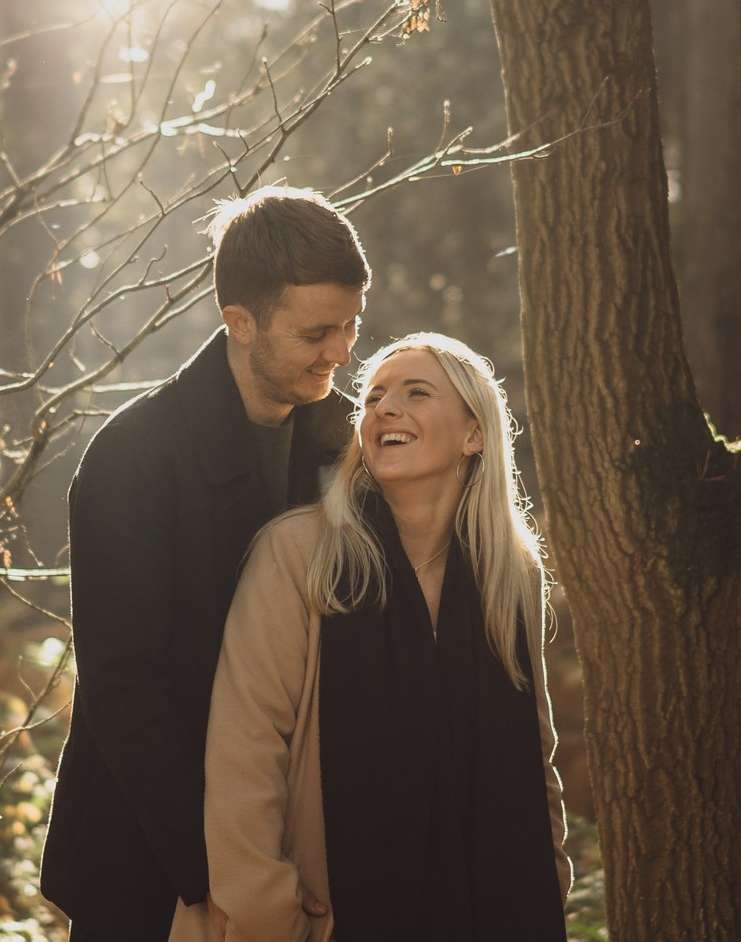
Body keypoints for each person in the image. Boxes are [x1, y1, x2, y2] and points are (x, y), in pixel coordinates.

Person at [40, 186, 371, 940]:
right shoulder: (131, 456)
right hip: (152, 855)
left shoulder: (351, 444)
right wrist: (220, 868)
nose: (342, 352)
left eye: (352, 325)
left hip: (303, 851)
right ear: (239, 322)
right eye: (318, 331)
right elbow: (123, 687)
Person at [178, 333, 571, 942]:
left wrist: (547, 884)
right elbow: (245, 750)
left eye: (417, 393)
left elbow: (532, 750)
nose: (384, 408)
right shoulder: (300, 554)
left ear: (474, 435)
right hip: (327, 923)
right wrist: (265, 909)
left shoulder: (508, 572)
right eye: (375, 397)